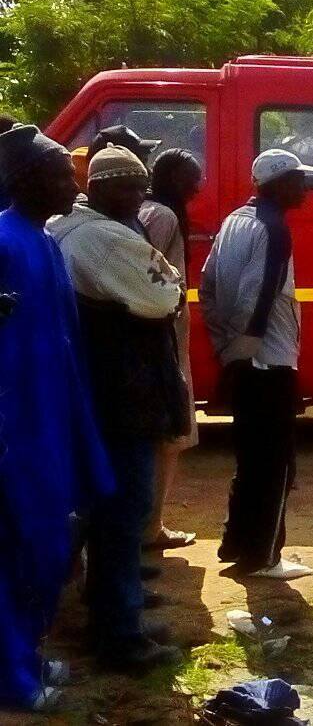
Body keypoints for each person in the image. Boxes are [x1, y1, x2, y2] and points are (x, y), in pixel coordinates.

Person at [49, 147, 187, 672]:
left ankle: (107, 611)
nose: (136, 198)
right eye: (126, 188)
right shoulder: (104, 238)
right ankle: (121, 633)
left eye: (139, 187)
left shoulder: (65, 230)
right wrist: (164, 292)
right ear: (101, 188)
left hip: (91, 391)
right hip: (123, 392)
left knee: (100, 510)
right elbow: (164, 296)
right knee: (123, 510)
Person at [0, 126, 114, 712]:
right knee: (18, 547)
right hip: (14, 430)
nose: (75, 183)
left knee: (51, 546)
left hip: (54, 422)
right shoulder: (2, 241)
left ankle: (27, 655)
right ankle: (12, 676)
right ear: (24, 180)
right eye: (61, 173)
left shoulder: (43, 242)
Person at [201, 149, 313, 578]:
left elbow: (208, 284)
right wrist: (245, 350)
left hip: (243, 356)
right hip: (268, 360)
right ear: (277, 183)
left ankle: (237, 544)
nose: (305, 188)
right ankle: (265, 556)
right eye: (298, 180)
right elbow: (259, 295)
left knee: (250, 456)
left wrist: (224, 347)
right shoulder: (274, 229)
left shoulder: (235, 220)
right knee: (276, 461)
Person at [139, 149, 204, 552]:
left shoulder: (148, 210)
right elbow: (152, 273)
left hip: (158, 335)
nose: (198, 187)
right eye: (192, 179)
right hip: (164, 336)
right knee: (168, 435)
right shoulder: (163, 217)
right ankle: (152, 528)